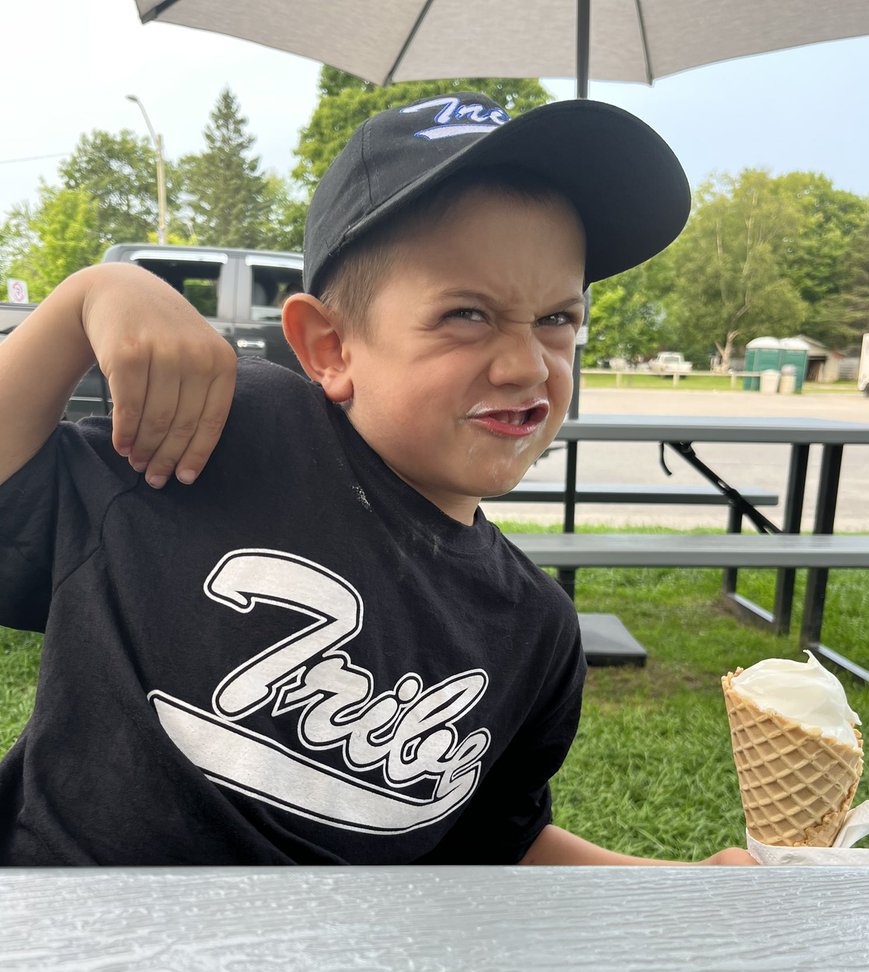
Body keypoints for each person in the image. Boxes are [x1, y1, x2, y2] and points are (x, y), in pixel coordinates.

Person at [0, 92, 754, 867]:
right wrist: (85, 298)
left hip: (333, 953)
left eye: (557, 319)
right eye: (467, 314)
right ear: (329, 348)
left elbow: (498, 846)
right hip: (61, 930)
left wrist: (686, 884)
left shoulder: (535, 630)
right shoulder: (223, 437)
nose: (528, 365)